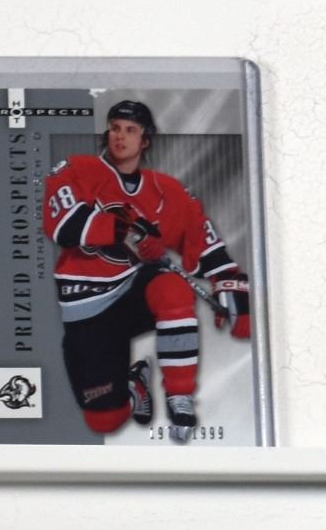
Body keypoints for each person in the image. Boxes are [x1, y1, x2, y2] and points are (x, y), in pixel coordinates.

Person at [42, 100, 252, 442]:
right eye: (114, 128)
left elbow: (203, 241)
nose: (120, 136)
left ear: (145, 140)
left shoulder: (167, 190)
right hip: (87, 303)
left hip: (135, 294)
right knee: (105, 420)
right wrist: (128, 231)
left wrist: (228, 283)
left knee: (172, 288)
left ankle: (180, 397)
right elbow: (62, 223)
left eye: (130, 130)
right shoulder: (77, 169)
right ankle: (134, 386)